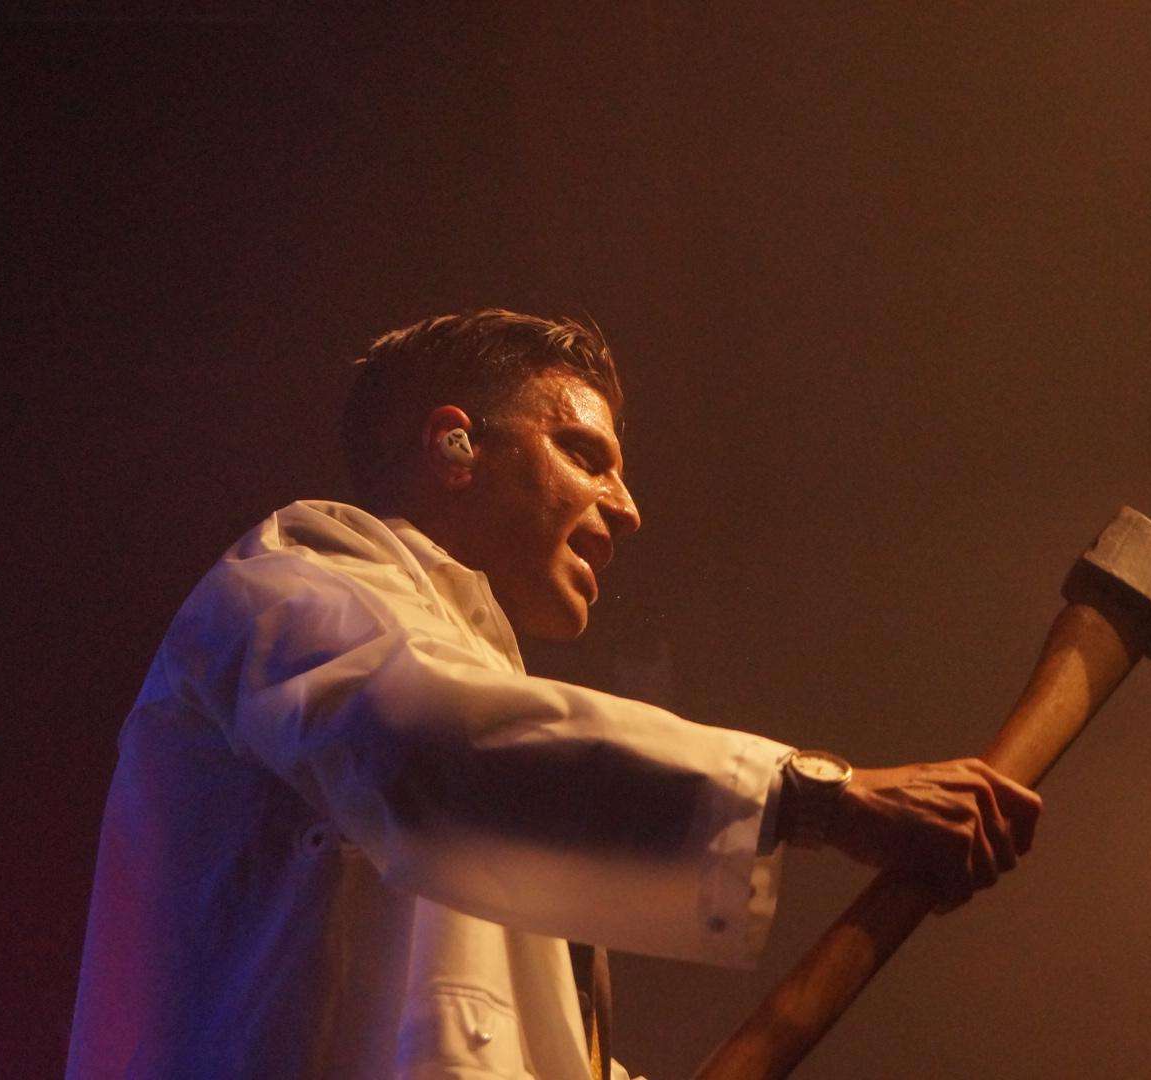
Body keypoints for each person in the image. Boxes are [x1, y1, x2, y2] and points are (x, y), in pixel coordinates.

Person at [67, 309, 1042, 1079]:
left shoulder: (499, 761)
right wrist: (816, 794)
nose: (628, 507)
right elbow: (416, 745)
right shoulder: (286, 589)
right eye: (586, 454)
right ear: (455, 445)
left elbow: (483, 1036)